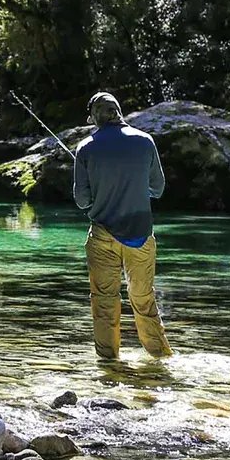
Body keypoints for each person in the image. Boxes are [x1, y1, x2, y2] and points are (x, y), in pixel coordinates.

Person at [73, 91, 172, 360]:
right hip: (140, 234)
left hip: (102, 233)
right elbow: (158, 188)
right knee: (143, 298)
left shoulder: (85, 148)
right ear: (119, 112)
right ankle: (159, 359)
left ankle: (109, 364)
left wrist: (101, 193)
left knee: (104, 301)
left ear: (95, 116)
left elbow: (82, 201)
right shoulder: (145, 141)